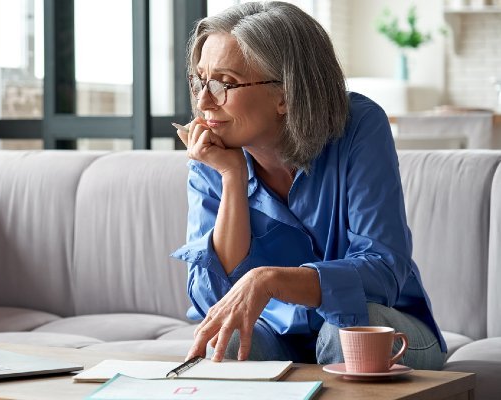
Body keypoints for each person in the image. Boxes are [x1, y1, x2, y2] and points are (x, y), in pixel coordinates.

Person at [170, 1, 446, 370]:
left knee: (344, 332)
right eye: (199, 80)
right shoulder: (213, 153)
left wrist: (270, 281)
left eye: (225, 84)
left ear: (285, 94)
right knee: (228, 340)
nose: (204, 102)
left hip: (385, 326)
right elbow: (213, 302)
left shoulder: (360, 126)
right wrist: (232, 179)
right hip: (277, 335)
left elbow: (383, 271)